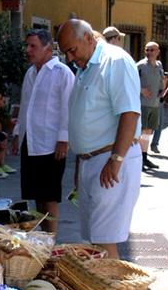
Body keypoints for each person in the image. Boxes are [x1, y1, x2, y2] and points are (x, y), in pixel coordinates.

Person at [57, 18, 142, 258]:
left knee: (105, 241)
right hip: (92, 160)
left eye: (72, 50)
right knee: (95, 238)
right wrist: (81, 161)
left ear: (87, 38)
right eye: (66, 53)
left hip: (110, 159)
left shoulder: (115, 61)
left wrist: (116, 159)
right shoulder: (87, 67)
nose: (70, 59)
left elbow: (130, 112)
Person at [12, 27, 75, 235]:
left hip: (51, 143)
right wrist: (17, 134)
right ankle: (42, 238)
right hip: (30, 141)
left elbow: (68, 107)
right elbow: (25, 106)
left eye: (33, 46)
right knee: (36, 194)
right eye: (27, 45)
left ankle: (52, 239)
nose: (28, 50)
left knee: (50, 196)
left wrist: (64, 139)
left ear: (48, 48)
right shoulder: (30, 73)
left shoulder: (62, 73)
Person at [137, 41, 167, 172]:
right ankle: (138, 159)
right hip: (142, 104)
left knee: (148, 132)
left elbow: (162, 83)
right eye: (147, 50)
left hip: (155, 104)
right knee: (141, 131)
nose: (149, 52)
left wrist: (164, 87)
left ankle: (144, 157)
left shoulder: (159, 65)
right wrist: (141, 90)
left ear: (158, 52)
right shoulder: (140, 66)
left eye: (152, 50)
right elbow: (129, 82)